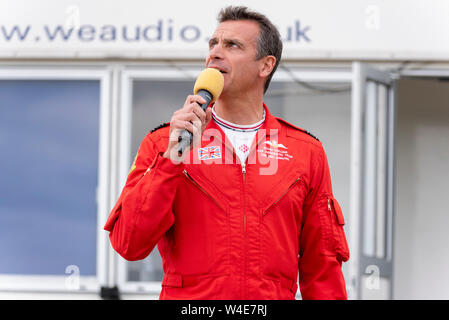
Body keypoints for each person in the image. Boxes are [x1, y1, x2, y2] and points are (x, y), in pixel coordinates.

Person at [104, 6, 350, 300]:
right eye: (213, 44)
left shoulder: (305, 151)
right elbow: (129, 244)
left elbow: (322, 268)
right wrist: (172, 159)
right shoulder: (165, 142)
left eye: (232, 45)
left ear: (266, 65)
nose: (215, 54)